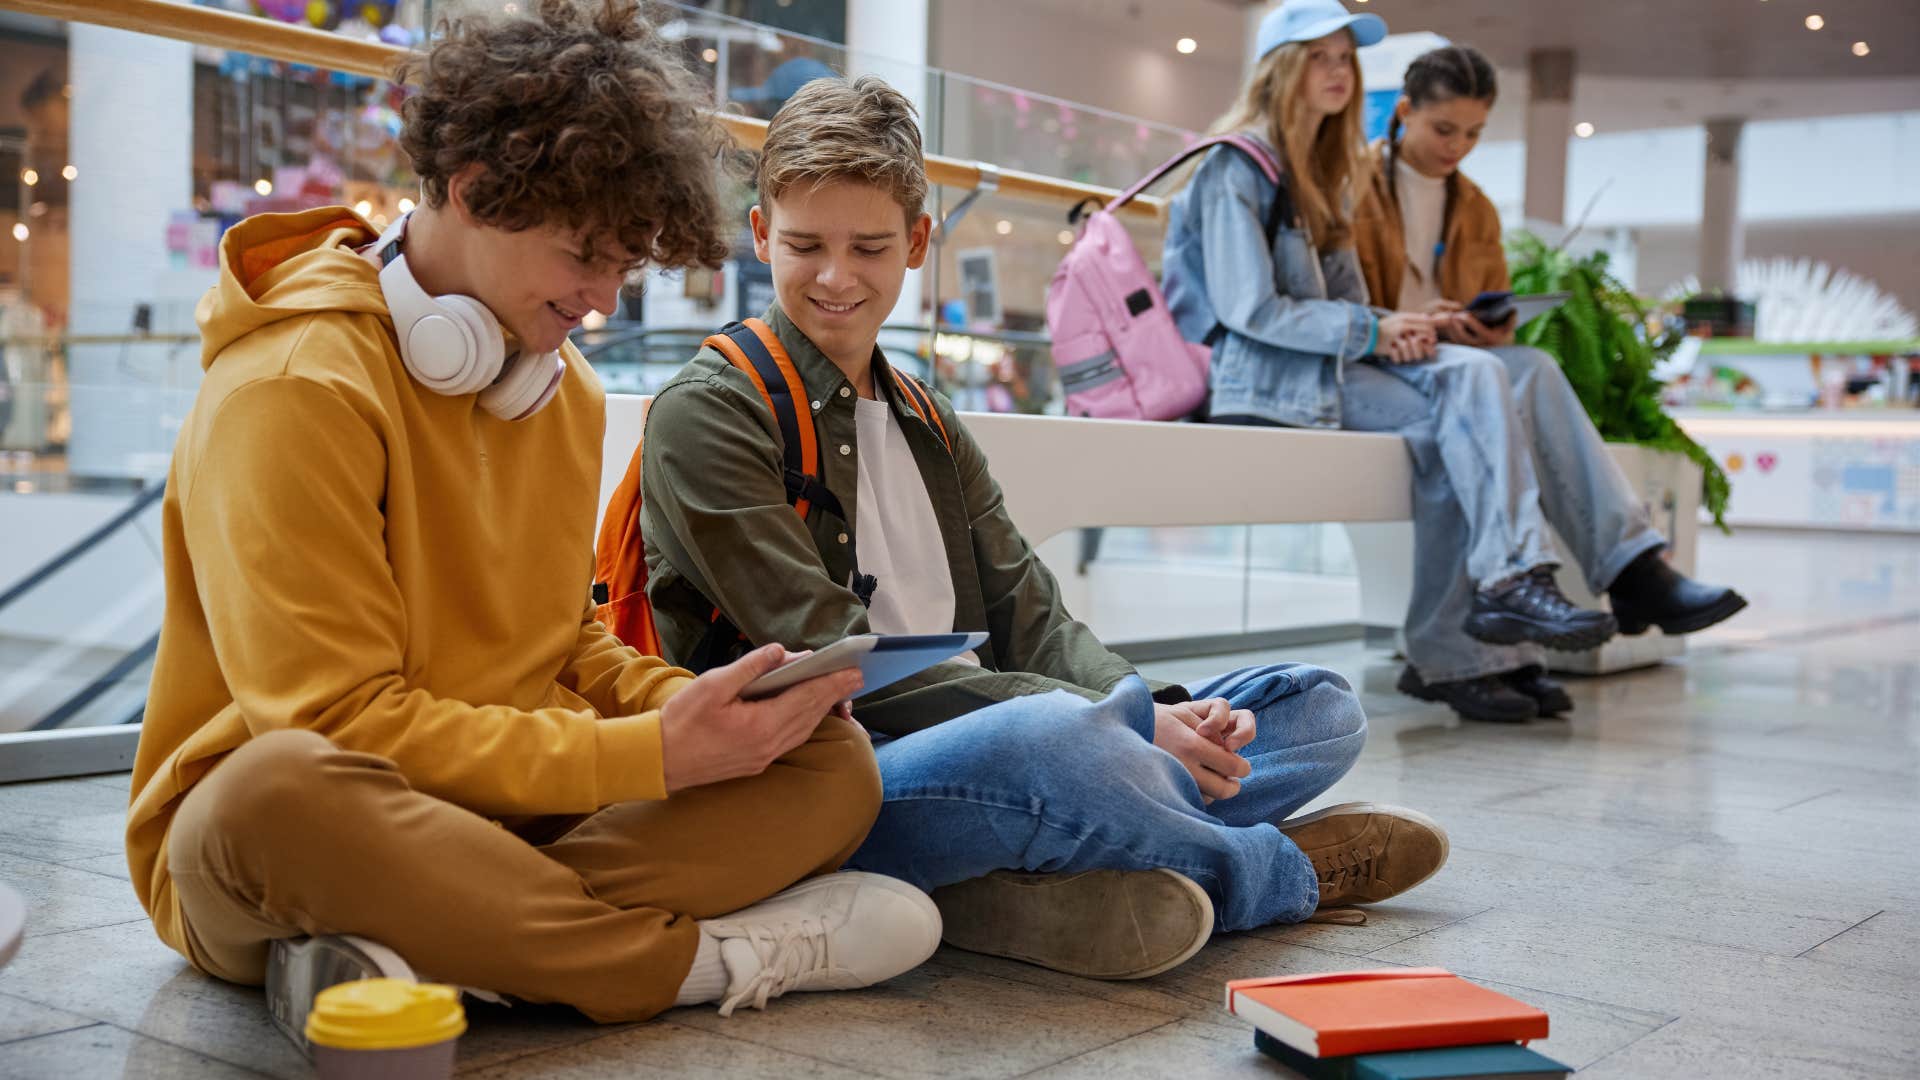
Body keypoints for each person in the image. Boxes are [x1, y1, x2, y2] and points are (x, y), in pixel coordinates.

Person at [125, 0, 940, 1048]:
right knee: (274, 794)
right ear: (472, 191)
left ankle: (442, 939)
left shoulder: (558, 387)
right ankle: (692, 962)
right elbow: (332, 724)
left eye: (622, 265)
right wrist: (646, 759)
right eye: (582, 256)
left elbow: (563, 641)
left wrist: (710, 712)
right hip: (302, 820)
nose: (601, 297)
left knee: (832, 769)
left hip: (505, 813)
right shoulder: (293, 385)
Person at [637, 73, 1449, 983]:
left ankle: (1036, 869)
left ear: (915, 243)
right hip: (836, 778)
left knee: (1318, 704)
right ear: (759, 236)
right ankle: (1272, 873)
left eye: (868, 246)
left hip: (1009, 736)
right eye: (804, 245)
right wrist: (1123, 726)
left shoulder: (926, 418)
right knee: (1056, 745)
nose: (836, 276)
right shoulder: (708, 414)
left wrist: (1152, 708)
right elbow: (836, 663)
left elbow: (1035, 613)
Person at [1161, 0, 1742, 725]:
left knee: (1494, 379)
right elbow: (1252, 310)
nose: (1340, 72)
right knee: (1475, 387)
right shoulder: (1238, 166)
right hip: (1270, 382)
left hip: (1330, 366)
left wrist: (1398, 325)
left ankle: (1600, 576)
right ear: (1281, 68)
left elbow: (1346, 304)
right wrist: (1380, 331)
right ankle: (1512, 586)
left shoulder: (1319, 172)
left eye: (1346, 58)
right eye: (1321, 57)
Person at [1350, 43, 1748, 720]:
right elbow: (1336, 299)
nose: (1458, 148)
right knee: (1470, 408)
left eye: (1474, 134)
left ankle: (1631, 568)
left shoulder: (1473, 206)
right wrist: (1413, 322)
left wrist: (1483, 328)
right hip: (1371, 359)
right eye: (1444, 130)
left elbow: (1488, 303)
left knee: (1531, 366)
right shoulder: (1352, 183)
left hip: (1445, 359)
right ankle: (1462, 650)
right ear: (1406, 111)